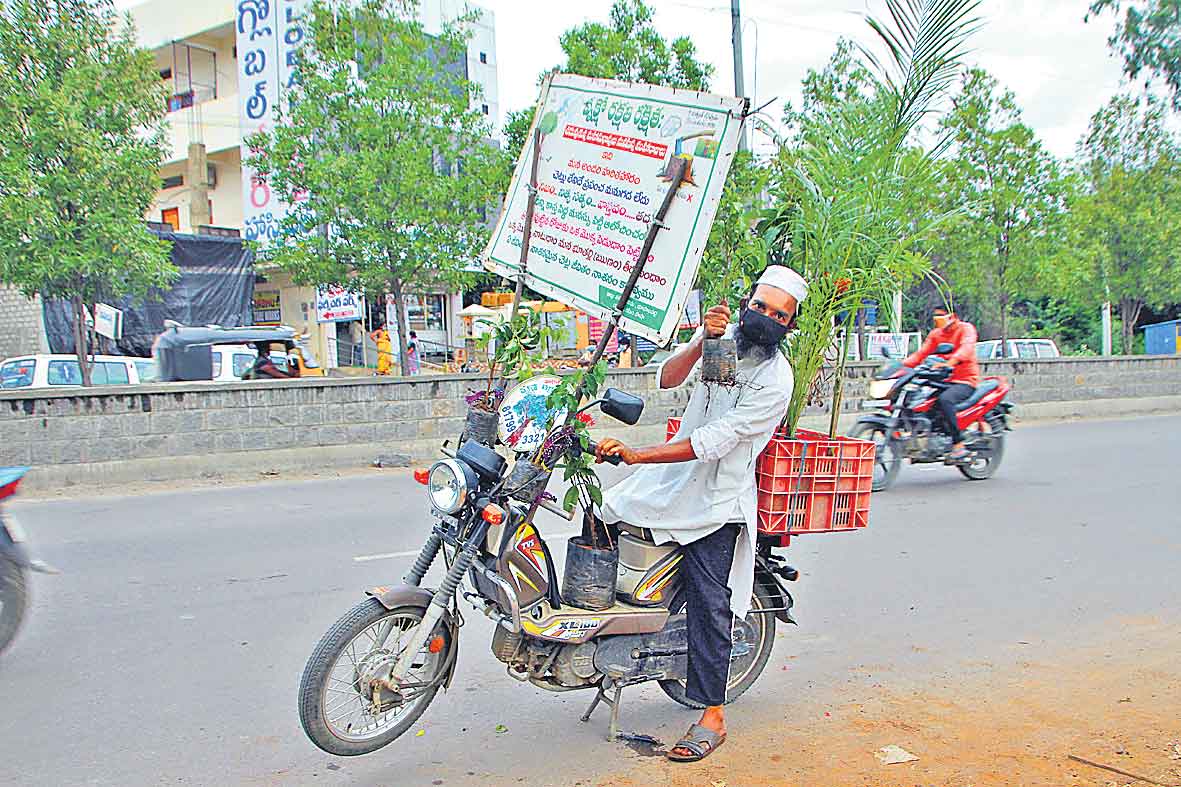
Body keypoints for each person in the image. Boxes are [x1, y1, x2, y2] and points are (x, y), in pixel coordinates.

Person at [594, 265, 808, 763]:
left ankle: (713, 714)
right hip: (672, 478)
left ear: (790, 326)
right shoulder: (723, 341)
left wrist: (638, 455)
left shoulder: (776, 380)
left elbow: (714, 441)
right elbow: (668, 378)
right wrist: (699, 342)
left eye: (779, 315)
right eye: (761, 307)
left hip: (716, 500)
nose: (766, 319)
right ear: (747, 303)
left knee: (710, 601)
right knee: (602, 516)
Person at [903, 307, 980, 460]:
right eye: (935, 315)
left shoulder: (966, 329)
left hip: (965, 381)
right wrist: (901, 366)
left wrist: (949, 363)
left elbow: (966, 348)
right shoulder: (936, 334)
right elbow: (921, 354)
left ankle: (959, 445)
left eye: (940, 315)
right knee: (917, 399)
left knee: (945, 400)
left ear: (953, 316)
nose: (936, 318)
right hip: (941, 380)